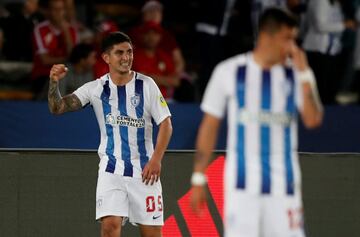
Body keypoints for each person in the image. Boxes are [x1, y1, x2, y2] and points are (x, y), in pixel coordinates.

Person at [190, 8, 323, 237]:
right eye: (287, 39)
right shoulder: (229, 72)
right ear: (266, 36)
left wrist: (304, 75)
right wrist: (199, 177)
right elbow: (209, 126)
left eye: (294, 39)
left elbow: (312, 120)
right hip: (241, 189)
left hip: (285, 189)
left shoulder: (296, 75)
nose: (293, 46)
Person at [48, 32, 172, 237]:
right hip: (111, 170)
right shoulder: (95, 88)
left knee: (152, 234)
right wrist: (54, 82)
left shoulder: (147, 85)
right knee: (109, 227)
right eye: (119, 53)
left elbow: (166, 124)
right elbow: (58, 107)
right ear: (106, 58)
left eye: (129, 52)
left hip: (145, 172)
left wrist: (156, 160)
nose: (126, 57)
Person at [31, 0, 78, 100]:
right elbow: (45, 60)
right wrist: (67, 59)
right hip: (44, 75)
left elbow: (74, 57)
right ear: (48, 12)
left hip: (67, 74)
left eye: (61, 9)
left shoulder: (71, 30)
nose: (58, 13)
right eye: (55, 9)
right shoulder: (40, 29)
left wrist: (66, 33)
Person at [132, 21, 179, 101]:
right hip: (139, 100)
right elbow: (134, 79)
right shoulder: (133, 56)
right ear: (141, 35)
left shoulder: (164, 56)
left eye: (155, 34)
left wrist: (149, 77)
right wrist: (164, 80)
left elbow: (175, 81)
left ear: (160, 36)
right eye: (147, 33)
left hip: (163, 100)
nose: (151, 37)